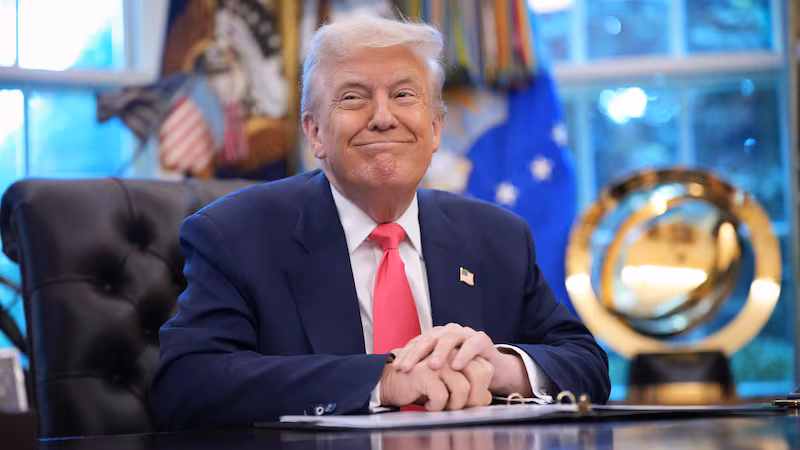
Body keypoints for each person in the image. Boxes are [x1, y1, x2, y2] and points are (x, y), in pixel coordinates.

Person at [151, 15, 610, 430]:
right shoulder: (235, 235)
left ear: (434, 129)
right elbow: (187, 382)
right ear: (314, 133)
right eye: (353, 98)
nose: (383, 118)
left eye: (403, 95)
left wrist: (500, 365)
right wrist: (383, 380)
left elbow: (586, 363)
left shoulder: (498, 236)